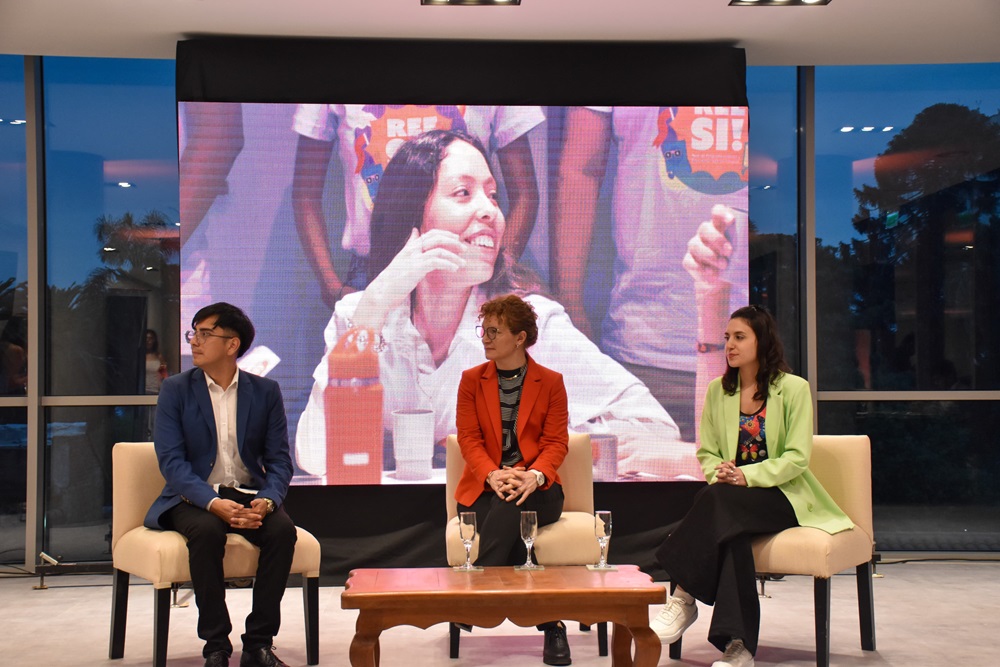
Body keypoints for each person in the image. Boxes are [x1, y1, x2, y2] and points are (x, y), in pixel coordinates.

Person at [295, 129, 699, 480]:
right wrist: (376, 305)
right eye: (463, 193)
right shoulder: (361, 317)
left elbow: (654, 430)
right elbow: (315, 458)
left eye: (492, 194)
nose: (490, 210)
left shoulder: (528, 323)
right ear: (409, 215)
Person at [648, 305, 854, 667]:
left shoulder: (793, 389)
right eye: (727, 337)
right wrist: (723, 472)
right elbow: (707, 450)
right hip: (731, 499)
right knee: (731, 532)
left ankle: (682, 595)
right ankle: (738, 647)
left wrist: (747, 476)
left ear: (763, 341)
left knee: (715, 502)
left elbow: (796, 457)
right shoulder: (718, 391)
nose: (729, 344)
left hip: (782, 495)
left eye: (739, 337)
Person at [552, 106, 749, 443]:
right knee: (638, 491)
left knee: (746, 490)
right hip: (643, 352)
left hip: (749, 355)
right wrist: (570, 305)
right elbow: (581, 170)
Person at [144, 303, 297, 667]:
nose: (194, 341)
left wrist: (267, 501)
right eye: (193, 333)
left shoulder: (265, 391)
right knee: (207, 531)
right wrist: (211, 503)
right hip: (191, 495)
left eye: (204, 333)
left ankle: (259, 644)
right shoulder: (175, 390)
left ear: (232, 344)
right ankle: (216, 646)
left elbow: (279, 461)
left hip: (245, 493)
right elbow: (172, 463)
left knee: (282, 532)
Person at [291, 104, 544, 308]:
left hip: (466, 270)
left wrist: (494, 272)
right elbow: (305, 193)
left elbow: (525, 193)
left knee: (470, 369)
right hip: (373, 271)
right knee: (373, 370)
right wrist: (332, 286)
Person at [456, 293, 573, 665]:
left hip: (538, 489)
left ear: (520, 338)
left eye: (494, 331)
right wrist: (493, 475)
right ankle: (552, 625)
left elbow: (556, 442)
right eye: (483, 330)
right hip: (483, 488)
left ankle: (474, 593)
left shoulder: (551, 382)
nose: (485, 338)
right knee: (508, 510)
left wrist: (533, 476)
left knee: (513, 504)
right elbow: (469, 439)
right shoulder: (471, 380)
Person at [145, 329, 168, 395]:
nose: (148, 341)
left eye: (150, 338)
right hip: (144, 391)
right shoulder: (140, 357)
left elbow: (164, 373)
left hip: (156, 390)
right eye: (146, 338)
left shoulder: (159, 356)